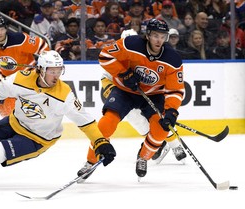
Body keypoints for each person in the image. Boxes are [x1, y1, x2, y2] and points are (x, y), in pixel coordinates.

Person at [0, 50, 116, 182]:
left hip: (37, 139)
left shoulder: (64, 95)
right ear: (40, 70)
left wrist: (100, 142)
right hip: (14, 122)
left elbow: (86, 122)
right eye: (52, 71)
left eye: (59, 71)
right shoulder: (22, 77)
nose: (56, 76)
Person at [77, 19, 185, 181]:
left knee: (161, 129)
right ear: (148, 35)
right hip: (124, 91)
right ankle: (90, 161)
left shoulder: (173, 59)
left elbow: (175, 90)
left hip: (154, 95)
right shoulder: (130, 44)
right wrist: (124, 73)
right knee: (106, 123)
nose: (158, 40)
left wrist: (171, 110)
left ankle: (143, 157)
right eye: (155, 35)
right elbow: (105, 56)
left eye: (162, 36)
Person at [0, 16, 50, 117]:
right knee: (6, 115)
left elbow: (42, 45)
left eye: (1, 29)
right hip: (8, 81)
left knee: (33, 111)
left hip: (28, 76)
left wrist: (44, 63)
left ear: (6, 29)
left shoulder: (20, 39)